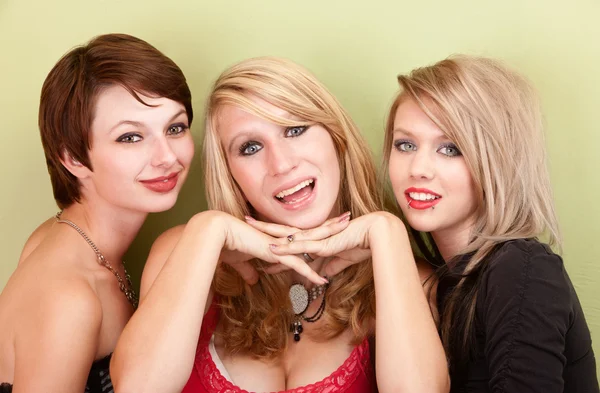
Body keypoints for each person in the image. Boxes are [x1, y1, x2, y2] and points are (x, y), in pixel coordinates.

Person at [111, 57, 449, 393]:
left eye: (295, 130)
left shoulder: (402, 273)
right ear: (229, 174)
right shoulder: (184, 250)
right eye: (250, 147)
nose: (282, 164)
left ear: (336, 137)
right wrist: (208, 230)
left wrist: (387, 234)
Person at [381, 55, 598, 392]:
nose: (418, 168)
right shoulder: (433, 281)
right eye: (405, 144)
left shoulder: (522, 268)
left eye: (450, 148)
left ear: (497, 160)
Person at [0, 33, 195, 393]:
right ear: (73, 158)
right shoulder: (68, 299)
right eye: (130, 137)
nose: (167, 157)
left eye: (175, 127)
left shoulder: (64, 234)